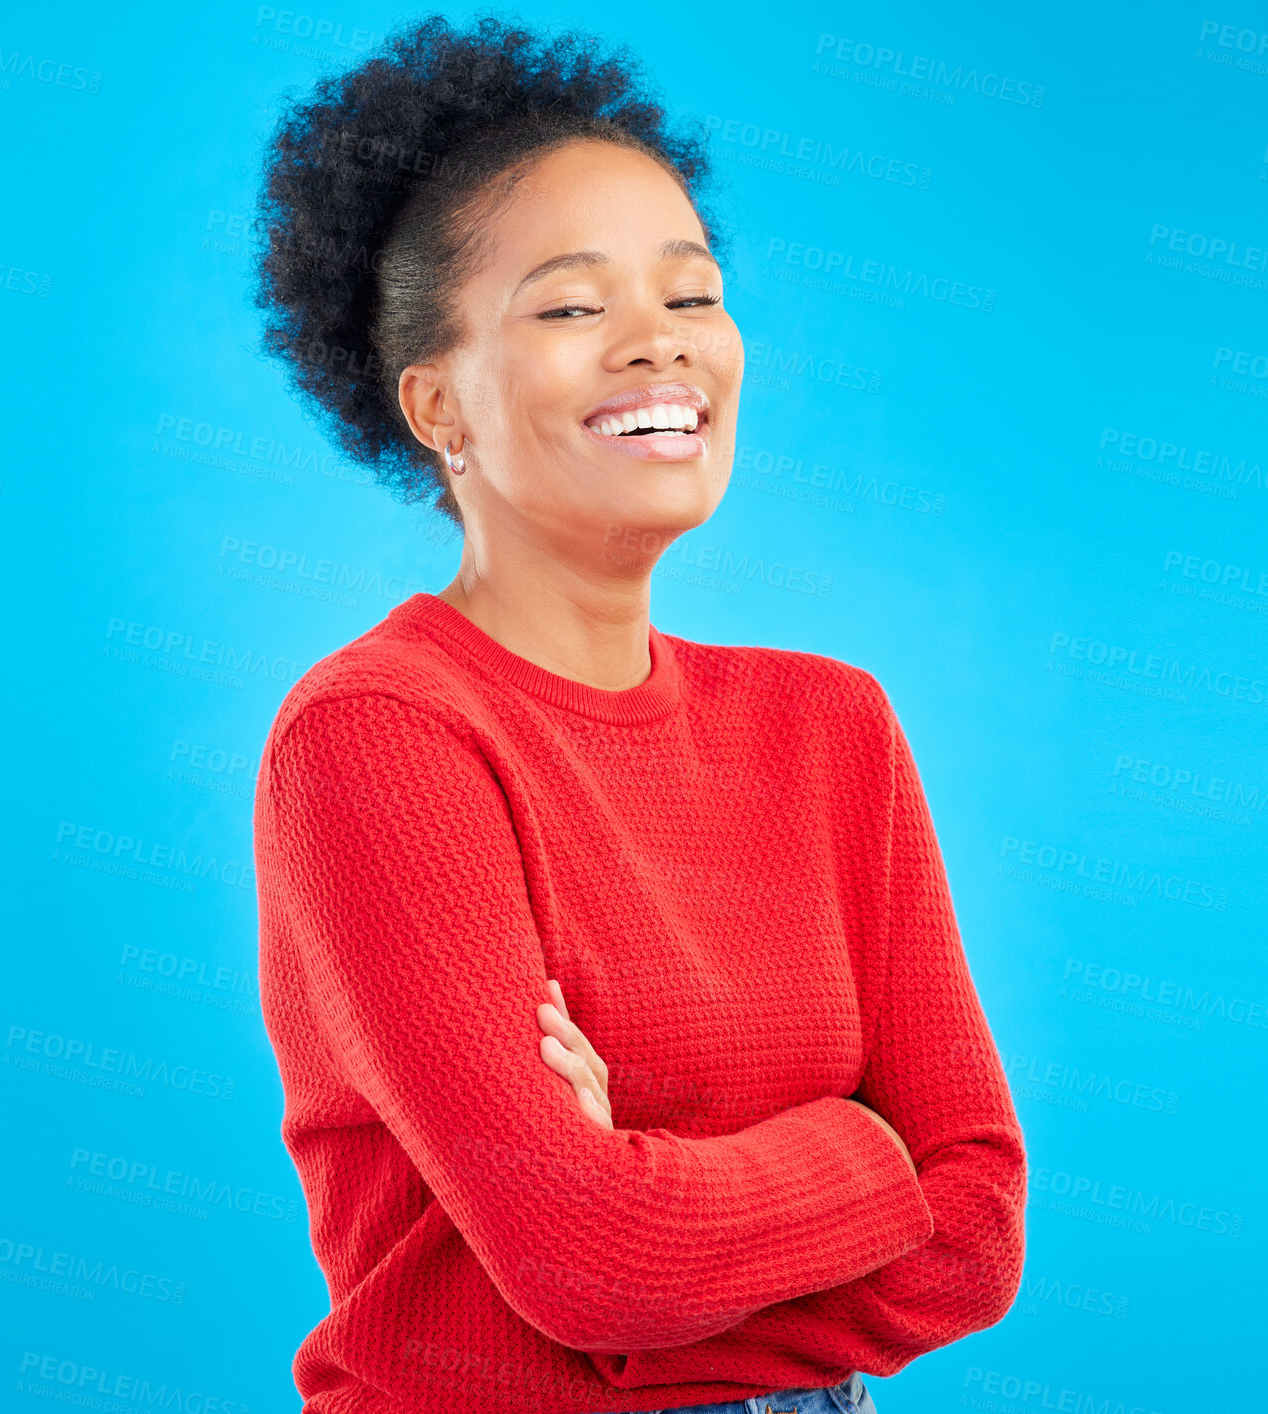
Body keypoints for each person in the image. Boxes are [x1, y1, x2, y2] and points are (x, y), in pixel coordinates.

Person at [250, 13, 1027, 1414]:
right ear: (437, 406)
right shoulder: (380, 734)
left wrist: (669, 1212)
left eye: (690, 294)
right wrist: (858, 1156)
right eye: (567, 307)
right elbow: (593, 1256)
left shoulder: (832, 726)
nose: (658, 348)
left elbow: (975, 1233)